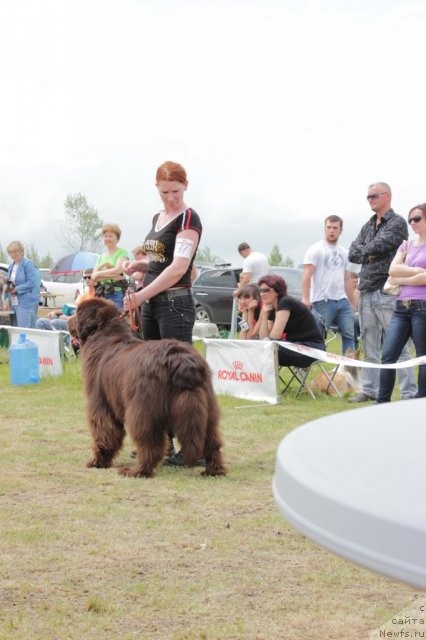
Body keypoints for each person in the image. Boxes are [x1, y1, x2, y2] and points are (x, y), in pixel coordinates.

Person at [123, 160, 202, 467]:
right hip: (153, 304)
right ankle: (161, 444)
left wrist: (142, 293)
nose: (171, 197)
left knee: (184, 381)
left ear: (186, 186)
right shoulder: (159, 217)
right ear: (156, 188)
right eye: (165, 191)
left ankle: (195, 447)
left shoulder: (189, 219)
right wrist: (141, 266)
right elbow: (162, 261)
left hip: (174, 304)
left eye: (176, 191)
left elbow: (179, 268)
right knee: (154, 378)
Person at [348, 181, 417, 402]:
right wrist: (368, 253)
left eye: (374, 196)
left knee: (399, 345)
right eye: (368, 197)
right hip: (366, 291)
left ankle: (409, 393)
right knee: (369, 345)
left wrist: (367, 251)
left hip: (387, 292)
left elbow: (380, 246)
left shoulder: (397, 223)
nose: (370, 200)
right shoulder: (368, 225)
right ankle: (369, 389)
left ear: (387, 196)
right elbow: (352, 252)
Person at [376, 203, 426, 403]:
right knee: (388, 355)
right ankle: (381, 401)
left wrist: (403, 275)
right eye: (410, 220)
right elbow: (392, 271)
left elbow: (424, 280)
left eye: (417, 218)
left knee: (423, 356)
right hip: (401, 307)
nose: (412, 223)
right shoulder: (405, 245)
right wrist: (417, 272)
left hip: (422, 306)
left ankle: (422, 398)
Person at [302, 215, 356, 355]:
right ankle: (308, 365)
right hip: (322, 301)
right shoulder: (316, 249)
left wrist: (353, 302)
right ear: (325, 228)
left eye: (335, 228)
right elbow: (307, 274)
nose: (331, 231)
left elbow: (346, 278)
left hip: (342, 301)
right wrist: (305, 298)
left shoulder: (344, 252)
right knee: (318, 337)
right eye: (328, 227)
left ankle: (348, 372)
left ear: (340, 230)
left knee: (350, 336)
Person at [257, 274, 325, 367]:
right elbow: (263, 337)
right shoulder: (272, 309)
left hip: (312, 349)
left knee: (263, 349)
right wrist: (265, 314)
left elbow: (274, 337)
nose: (262, 294)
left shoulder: (285, 301)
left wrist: (263, 344)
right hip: (295, 346)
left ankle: (261, 380)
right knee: (259, 348)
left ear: (277, 291)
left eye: (266, 290)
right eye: (260, 291)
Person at [91, 224, 129, 310]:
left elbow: (118, 270)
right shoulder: (101, 256)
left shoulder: (122, 253)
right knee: (102, 321)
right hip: (102, 294)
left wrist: (99, 273)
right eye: (105, 236)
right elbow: (94, 277)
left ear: (117, 238)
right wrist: (113, 275)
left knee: (116, 320)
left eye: (110, 236)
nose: (107, 238)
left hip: (116, 292)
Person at [6, 241, 40, 328]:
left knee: (24, 331)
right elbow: (12, 282)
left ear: (21, 251)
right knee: (15, 330)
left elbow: (31, 283)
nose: (13, 254)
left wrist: (16, 289)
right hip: (14, 303)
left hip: (26, 303)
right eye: (10, 252)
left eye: (15, 251)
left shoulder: (28, 264)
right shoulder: (10, 266)